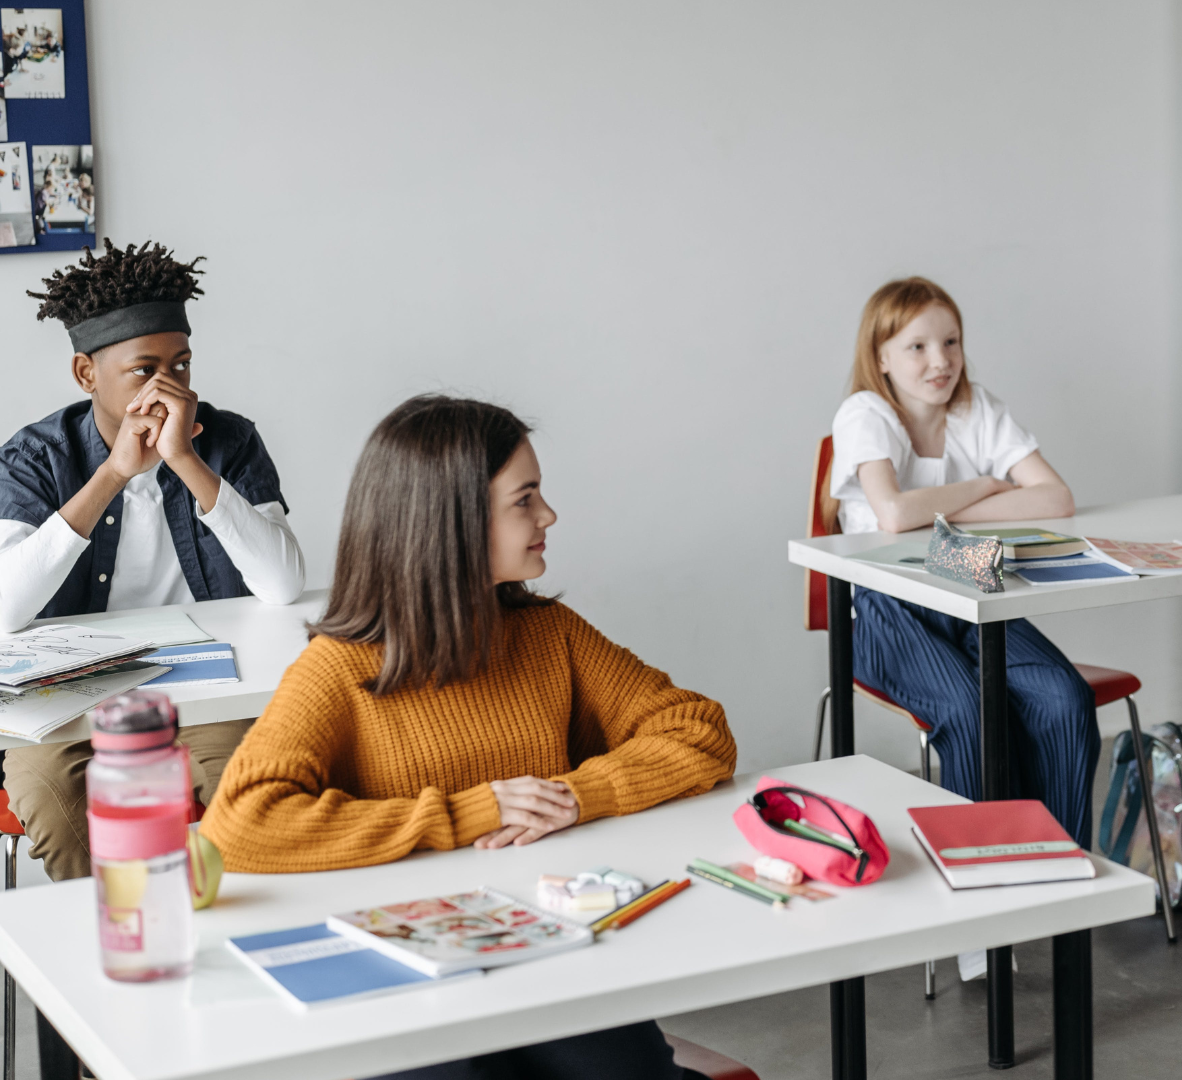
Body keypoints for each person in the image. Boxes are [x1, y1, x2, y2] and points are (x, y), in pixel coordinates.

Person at [202, 396, 734, 1080]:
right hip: (403, 973)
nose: (548, 516)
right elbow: (240, 825)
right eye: (526, 499)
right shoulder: (341, 667)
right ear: (453, 522)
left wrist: (573, 796)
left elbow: (699, 730)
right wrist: (470, 812)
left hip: (547, 950)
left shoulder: (550, 634)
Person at [0, 240, 306, 884]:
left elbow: (283, 585)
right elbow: (4, 607)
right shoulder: (34, 458)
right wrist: (114, 473)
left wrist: (187, 462)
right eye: (144, 369)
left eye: (182, 365)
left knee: (253, 801)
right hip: (71, 698)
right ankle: (117, 954)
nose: (169, 387)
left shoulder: (228, 440)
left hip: (212, 686)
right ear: (87, 374)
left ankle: (228, 946)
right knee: (60, 813)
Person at [828, 278, 1096, 845]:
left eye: (951, 343)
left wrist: (946, 516)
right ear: (881, 356)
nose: (940, 361)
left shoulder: (976, 409)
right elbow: (894, 514)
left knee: (1063, 698)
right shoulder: (866, 412)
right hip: (885, 612)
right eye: (918, 347)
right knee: (971, 712)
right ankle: (982, 890)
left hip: (970, 586)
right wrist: (982, 486)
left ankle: (1058, 868)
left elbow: (1056, 498)